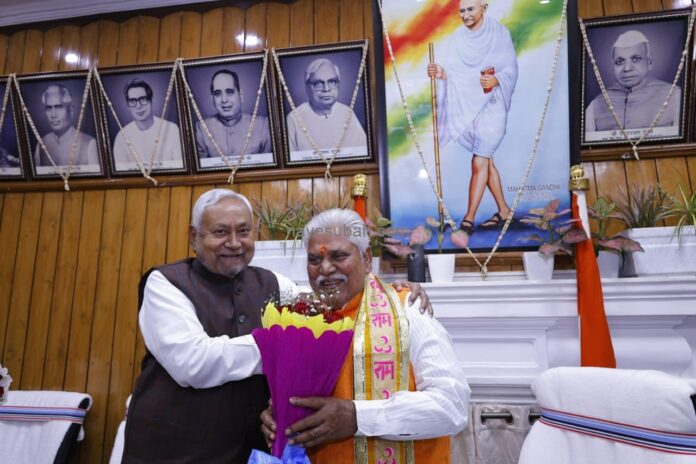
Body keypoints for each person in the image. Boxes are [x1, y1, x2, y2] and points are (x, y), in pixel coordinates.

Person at [122, 189, 432, 463]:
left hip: (250, 451)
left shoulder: (273, 283)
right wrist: (280, 346)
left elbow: (331, 301)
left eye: (244, 231)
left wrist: (389, 292)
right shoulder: (166, 283)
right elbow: (194, 363)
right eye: (220, 232)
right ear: (194, 237)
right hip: (175, 450)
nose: (234, 242)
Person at [261, 209, 470, 463]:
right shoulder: (300, 319)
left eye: (339, 256)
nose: (325, 268)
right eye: (315, 259)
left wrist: (357, 417)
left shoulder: (407, 309)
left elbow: (453, 406)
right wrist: (279, 415)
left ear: (367, 258)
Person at [427, 0, 518, 234]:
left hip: (493, 106)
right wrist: (441, 73)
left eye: (470, 9)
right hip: (468, 108)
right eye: (462, 10)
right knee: (487, 162)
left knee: (479, 162)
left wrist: (497, 79)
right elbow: (458, 76)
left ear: (483, 8)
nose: (465, 14)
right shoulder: (457, 38)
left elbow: (510, 69)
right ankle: (504, 211)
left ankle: (468, 220)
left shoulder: (499, 33)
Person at [585, 30, 681, 133]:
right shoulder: (596, 105)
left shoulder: (674, 96)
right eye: (619, 62)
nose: (627, 68)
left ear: (650, 63)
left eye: (636, 59)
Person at [286, 58, 367, 152]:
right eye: (318, 83)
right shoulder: (293, 119)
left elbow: (364, 152)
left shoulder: (347, 112)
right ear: (307, 87)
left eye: (332, 82)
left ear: (338, 84)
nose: (326, 89)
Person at [195, 69, 272, 159]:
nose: (224, 100)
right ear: (212, 99)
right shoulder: (202, 128)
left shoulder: (263, 125)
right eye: (218, 94)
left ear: (240, 95)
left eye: (229, 92)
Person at [113, 79, 182, 168]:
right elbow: (121, 171)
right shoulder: (121, 137)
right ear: (128, 106)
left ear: (151, 100)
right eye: (132, 101)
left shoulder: (171, 129)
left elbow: (180, 166)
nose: (138, 106)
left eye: (143, 99)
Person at [33, 84, 98, 167]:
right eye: (49, 108)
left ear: (71, 110)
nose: (53, 115)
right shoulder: (41, 144)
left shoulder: (89, 144)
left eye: (58, 107)